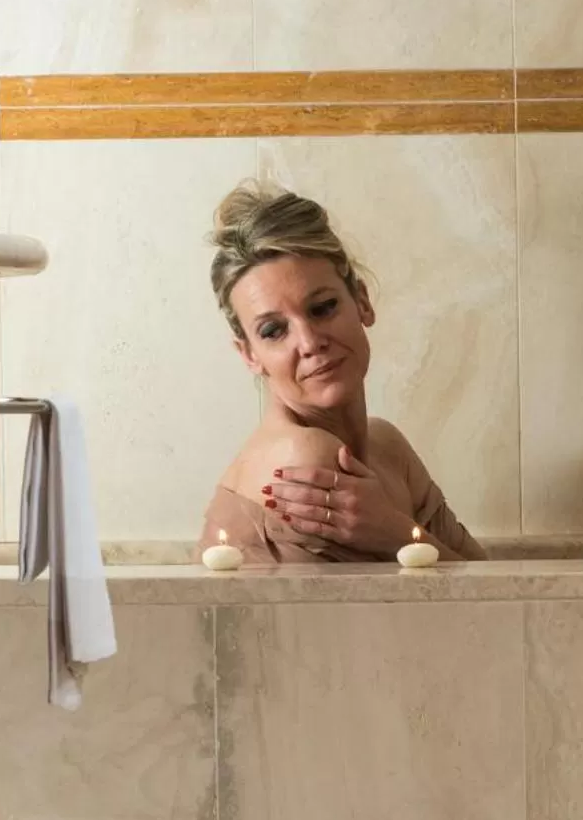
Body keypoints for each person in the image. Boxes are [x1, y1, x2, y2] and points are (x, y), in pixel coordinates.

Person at [196, 182, 486, 565]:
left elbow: (491, 593)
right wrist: (396, 534)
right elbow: (481, 607)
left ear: (362, 301)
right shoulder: (304, 459)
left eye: (322, 308)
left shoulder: (387, 448)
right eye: (273, 331)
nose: (309, 341)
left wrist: (390, 529)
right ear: (250, 354)